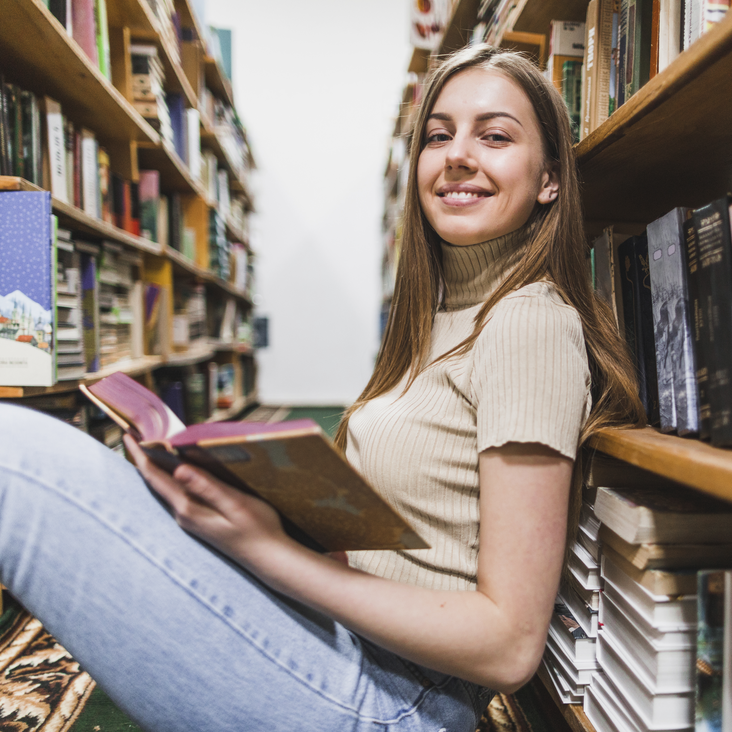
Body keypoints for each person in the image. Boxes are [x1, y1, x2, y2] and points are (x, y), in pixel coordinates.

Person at [0, 45, 644, 732]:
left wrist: (266, 551)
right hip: (354, 648)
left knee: (15, 456)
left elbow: (509, 644)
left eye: (494, 135)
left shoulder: (529, 322)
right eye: (438, 134)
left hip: (394, 702)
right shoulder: (442, 317)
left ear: (549, 180)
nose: (457, 154)